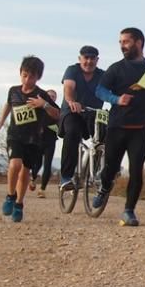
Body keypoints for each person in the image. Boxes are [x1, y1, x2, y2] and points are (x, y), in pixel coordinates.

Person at [93, 28, 145, 227]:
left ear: (139, 42)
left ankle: (129, 211)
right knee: (110, 167)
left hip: (140, 127)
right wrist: (116, 99)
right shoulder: (116, 69)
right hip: (117, 126)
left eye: (126, 41)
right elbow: (100, 90)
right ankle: (104, 186)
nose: (122, 46)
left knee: (136, 171)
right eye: (120, 42)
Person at [0, 56, 60, 222]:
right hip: (15, 135)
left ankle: (19, 203)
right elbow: (9, 104)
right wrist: (1, 121)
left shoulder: (42, 95)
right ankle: (10, 195)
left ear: (38, 77)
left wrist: (43, 105)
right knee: (15, 164)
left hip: (34, 139)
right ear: (20, 73)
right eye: (24, 75)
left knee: (25, 172)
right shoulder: (13, 91)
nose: (27, 79)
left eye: (32, 76)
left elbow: (58, 114)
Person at [58, 46, 106, 191]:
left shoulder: (103, 75)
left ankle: (100, 172)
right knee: (72, 133)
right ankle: (66, 177)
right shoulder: (72, 70)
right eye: (86, 58)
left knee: (107, 136)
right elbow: (69, 88)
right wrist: (72, 101)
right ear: (80, 59)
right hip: (72, 112)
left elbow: (113, 91)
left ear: (97, 60)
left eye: (92, 58)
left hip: (94, 114)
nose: (89, 61)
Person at [29, 89, 60, 197]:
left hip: (51, 140)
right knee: (37, 163)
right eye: (49, 95)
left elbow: (60, 124)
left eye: (54, 96)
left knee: (48, 165)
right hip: (38, 139)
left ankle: (42, 189)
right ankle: (32, 178)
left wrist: (58, 128)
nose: (51, 97)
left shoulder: (56, 109)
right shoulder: (39, 107)